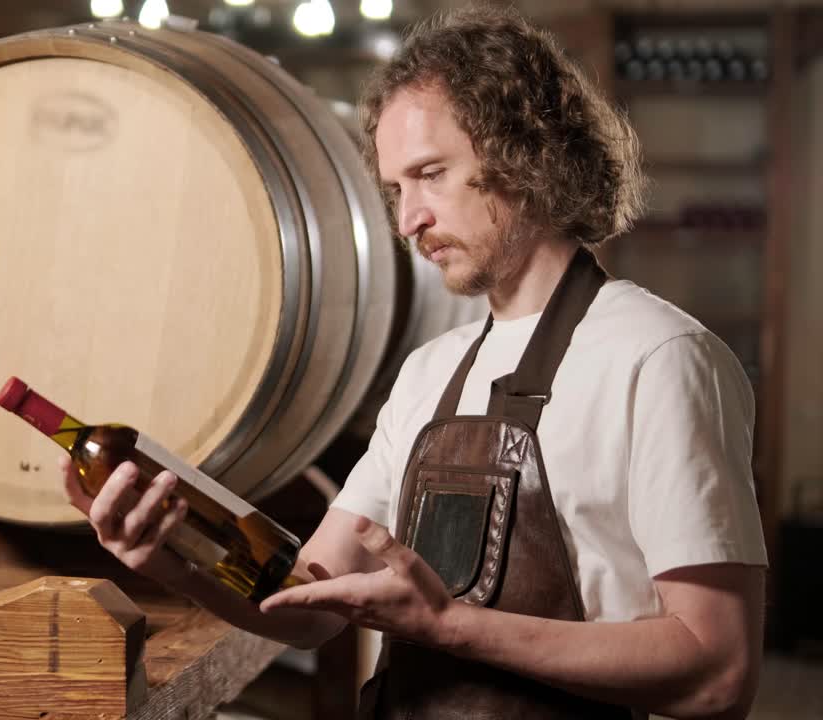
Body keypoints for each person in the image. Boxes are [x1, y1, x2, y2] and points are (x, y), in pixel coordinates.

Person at [59, 5, 767, 719]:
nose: (408, 222)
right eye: (396, 190)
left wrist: (451, 627)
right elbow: (312, 602)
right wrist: (170, 558)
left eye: (431, 175)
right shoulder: (430, 373)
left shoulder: (660, 358)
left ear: (527, 154)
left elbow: (717, 670)